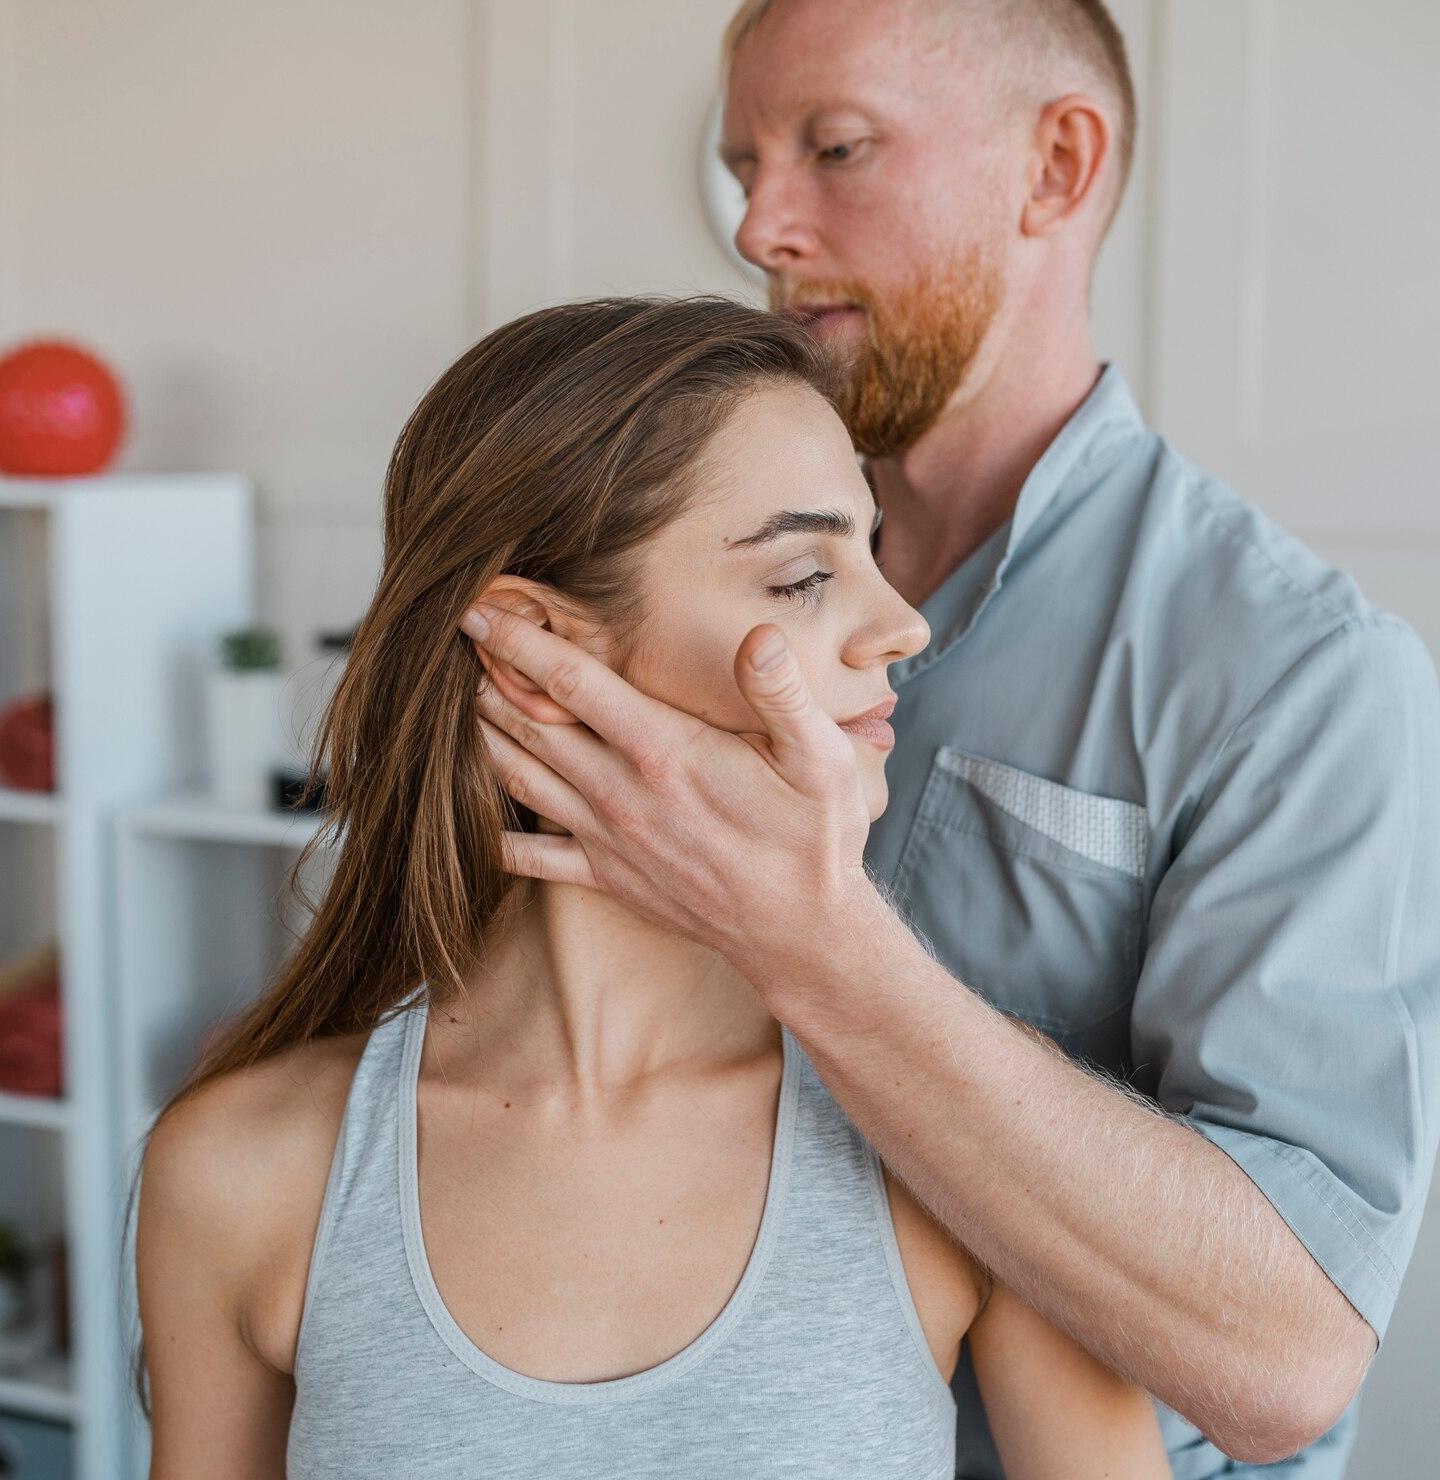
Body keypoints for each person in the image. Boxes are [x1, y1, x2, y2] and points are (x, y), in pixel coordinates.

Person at [459, 2, 1440, 1477]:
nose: (761, 226)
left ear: (1056, 166)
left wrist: (811, 945)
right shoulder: (667, 578)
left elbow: (1285, 1360)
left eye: (835, 149)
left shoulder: (1300, 677)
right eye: (746, 164)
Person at [132, 297, 1174, 1478]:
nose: (901, 625)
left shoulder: (963, 1148)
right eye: (799, 575)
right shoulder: (240, 1174)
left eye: (870, 551)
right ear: (537, 650)